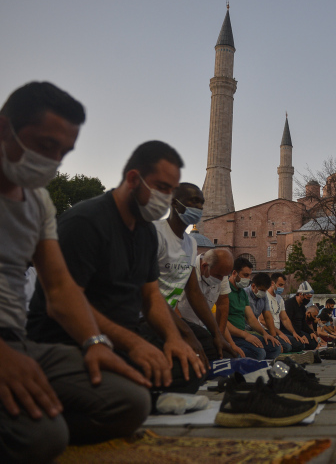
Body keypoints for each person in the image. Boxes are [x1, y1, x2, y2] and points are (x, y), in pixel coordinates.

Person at [0, 82, 150, 461]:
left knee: (131, 401)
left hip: (14, 340)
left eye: (63, 152)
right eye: (44, 146)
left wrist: (94, 342)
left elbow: (59, 287)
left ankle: (19, 415)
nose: (53, 161)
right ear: (3, 129)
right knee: (40, 438)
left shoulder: (36, 201)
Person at [26, 140, 206, 395]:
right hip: (73, 340)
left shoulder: (145, 233)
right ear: (134, 179)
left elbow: (151, 296)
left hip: (121, 339)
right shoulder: (86, 223)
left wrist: (175, 338)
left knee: (189, 372)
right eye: (161, 188)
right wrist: (133, 344)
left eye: (170, 191)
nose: (165, 199)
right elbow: (65, 302)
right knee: (131, 399)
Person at [157, 184, 238, 363]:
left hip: (172, 321)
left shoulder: (190, 244)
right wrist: (186, 332)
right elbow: (149, 294)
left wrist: (217, 334)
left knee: (223, 355)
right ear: (173, 202)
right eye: (193, 202)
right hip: (149, 318)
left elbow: (194, 291)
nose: (199, 208)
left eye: (201, 203)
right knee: (194, 362)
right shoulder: (154, 234)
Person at [175, 248, 243, 362]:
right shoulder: (185, 267)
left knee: (228, 356)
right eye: (218, 275)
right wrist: (185, 334)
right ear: (204, 266)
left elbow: (223, 303)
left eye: (224, 276)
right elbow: (173, 305)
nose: (221, 279)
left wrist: (219, 336)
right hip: (180, 325)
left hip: (203, 327)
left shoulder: (221, 272)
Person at [225, 260, 281, 360]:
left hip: (242, 335)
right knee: (259, 353)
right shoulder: (224, 290)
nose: (248, 279)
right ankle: (232, 353)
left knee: (274, 347)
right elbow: (222, 322)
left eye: (249, 275)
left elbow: (251, 318)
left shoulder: (242, 293)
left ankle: (243, 356)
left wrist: (265, 334)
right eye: (245, 275)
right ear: (234, 273)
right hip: (230, 335)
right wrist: (245, 335)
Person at [266, 272, 306, 352]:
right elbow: (263, 320)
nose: (282, 288)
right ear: (272, 283)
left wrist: (294, 333)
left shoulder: (279, 299)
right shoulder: (265, 296)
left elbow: (284, 318)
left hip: (277, 331)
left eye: (283, 285)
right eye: (280, 285)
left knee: (300, 344)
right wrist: (279, 333)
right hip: (267, 330)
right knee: (287, 346)